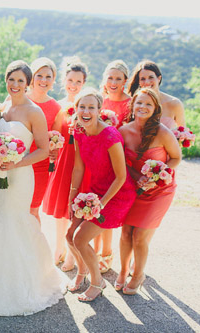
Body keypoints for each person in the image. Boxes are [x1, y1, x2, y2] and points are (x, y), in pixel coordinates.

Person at [0, 60, 65, 316]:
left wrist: (16, 162)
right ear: (5, 80)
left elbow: (43, 150)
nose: (15, 84)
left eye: (21, 80)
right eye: (11, 79)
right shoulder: (3, 106)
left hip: (20, 176)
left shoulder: (34, 112)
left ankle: (23, 282)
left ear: (28, 84)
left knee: (14, 220)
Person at [66, 88, 136, 302]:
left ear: (99, 110)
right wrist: (72, 196)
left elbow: (121, 177)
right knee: (70, 235)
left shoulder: (110, 135)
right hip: (93, 192)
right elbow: (78, 168)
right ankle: (82, 271)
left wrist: (102, 203)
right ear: (76, 109)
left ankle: (98, 282)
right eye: (82, 107)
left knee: (80, 238)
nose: (85, 111)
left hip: (116, 195)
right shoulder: (78, 130)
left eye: (91, 107)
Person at [116, 88, 181, 294]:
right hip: (133, 188)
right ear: (132, 105)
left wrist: (158, 176)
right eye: (139, 103)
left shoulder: (163, 132)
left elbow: (176, 157)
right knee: (126, 232)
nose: (143, 107)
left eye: (148, 105)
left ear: (155, 109)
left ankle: (138, 275)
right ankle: (124, 270)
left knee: (140, 236)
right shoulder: (124, 131)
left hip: (159, 191)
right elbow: (120, 163)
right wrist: (137, 178)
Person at [43, 59, 89, 272]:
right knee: (61, 209)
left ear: (84, 82)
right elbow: (52, 133)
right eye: (70, 80)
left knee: (75, 210)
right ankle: (58, 248)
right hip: (63, 162)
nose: (73, 85)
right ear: (64, 81)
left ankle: (72, 254)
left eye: (78, 81)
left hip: (82, 162)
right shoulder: (59, 105)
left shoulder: (88, 105)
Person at [93, 59, 132, 274]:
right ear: (104, 80)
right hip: (97, 158)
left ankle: (107, 253)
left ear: (125, 81)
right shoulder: (101, 101)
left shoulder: (131, 103)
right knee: (96, 202)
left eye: (118, 78)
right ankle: (96, 249)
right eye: (110, 78)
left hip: (119, 159)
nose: (114, 82)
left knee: (108, 207)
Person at [26, 58, 61, 226]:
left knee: (33, 210)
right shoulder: (18, 99)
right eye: (39, 75)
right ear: (32, 78)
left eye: (48, 76)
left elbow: (57, 138)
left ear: (53, 80)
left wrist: (55, 150)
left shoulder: (56, 107)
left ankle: (32, 249)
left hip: (40, 166)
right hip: (18, 162)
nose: (43, 80)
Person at [128, 60, 185, 129]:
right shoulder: (133, 104)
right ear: (139, 82)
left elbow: (183, 131)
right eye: (143, 79)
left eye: (151, 77)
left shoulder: (174, 104)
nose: (147, 82)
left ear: (159, 78)